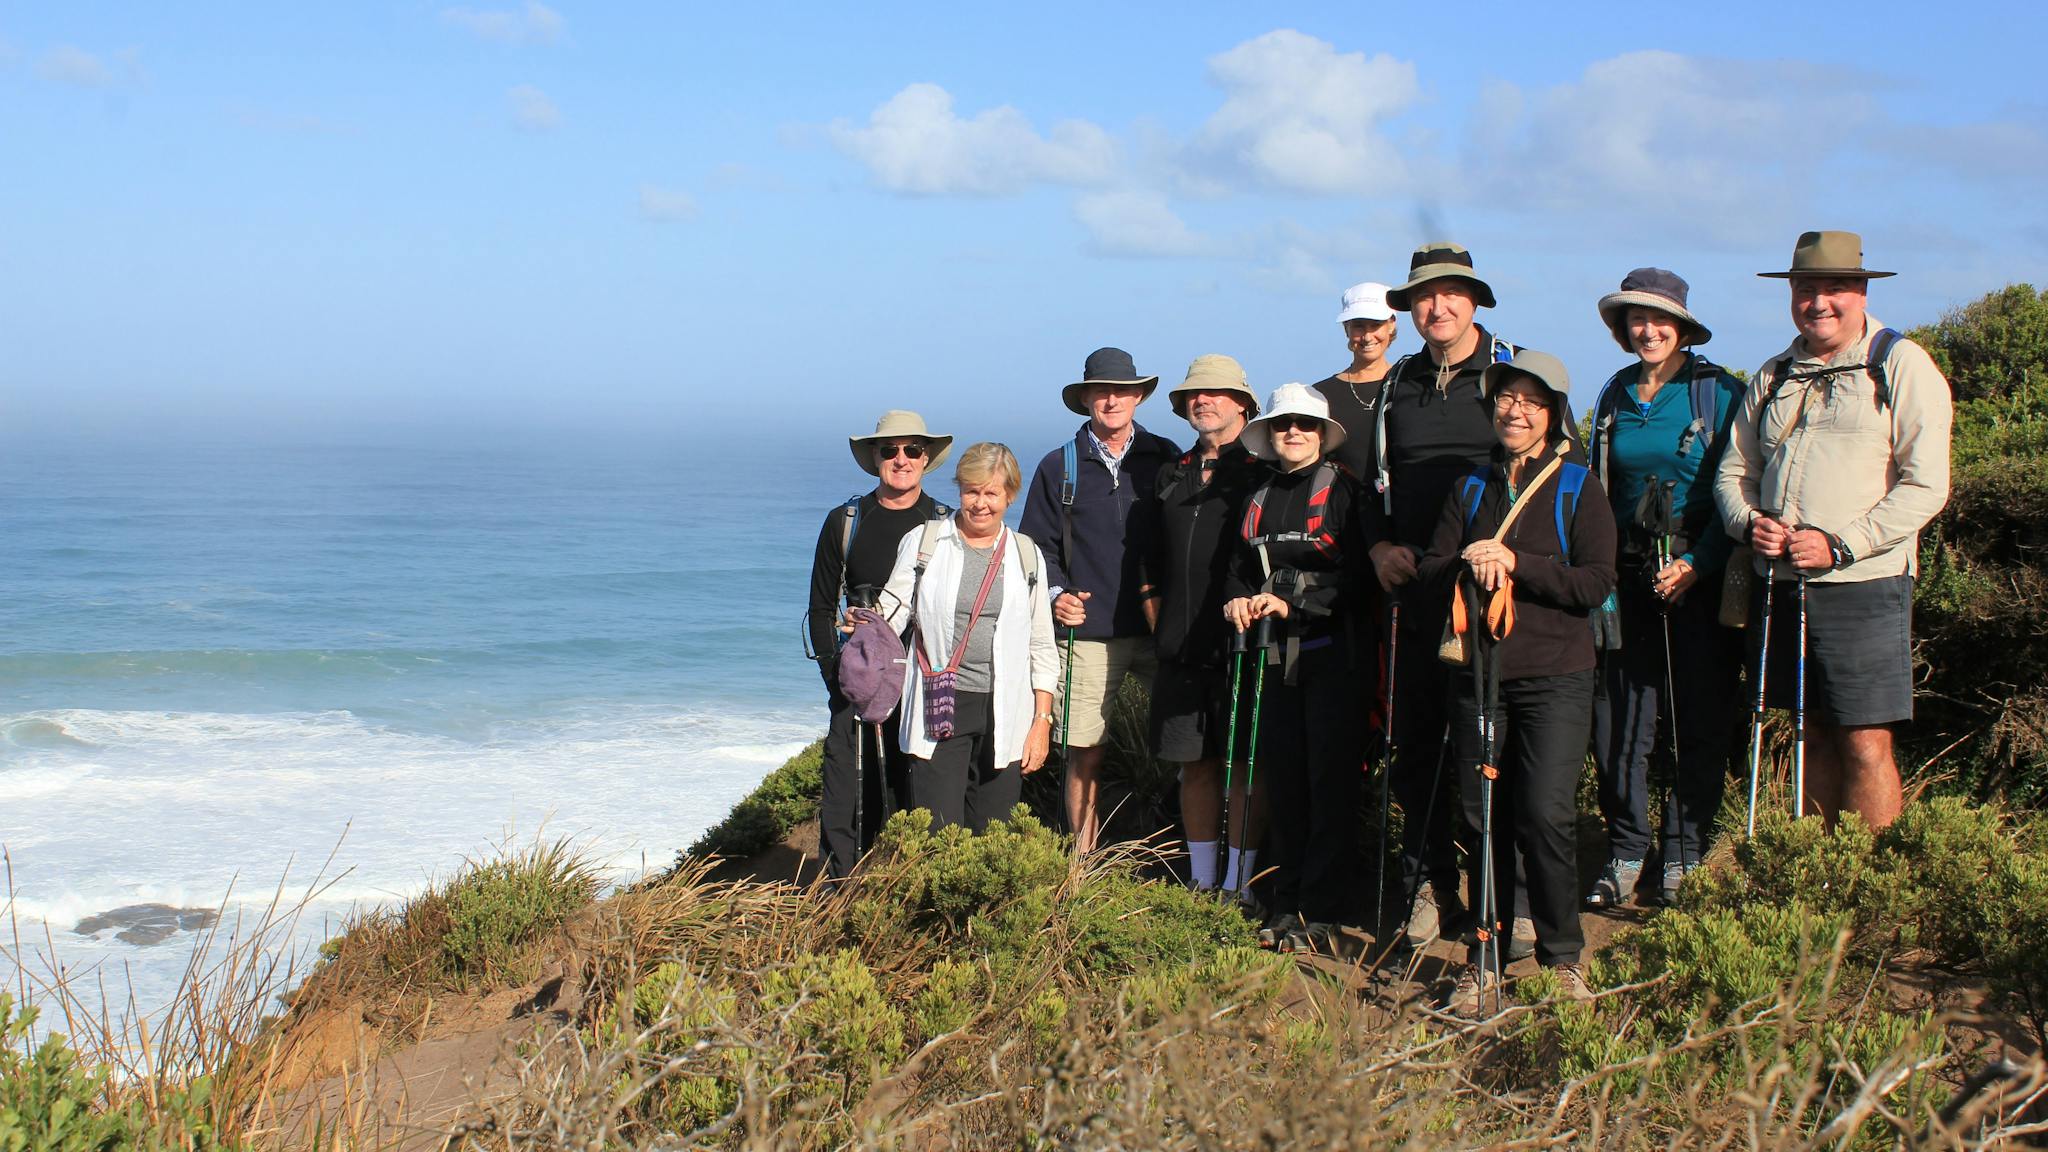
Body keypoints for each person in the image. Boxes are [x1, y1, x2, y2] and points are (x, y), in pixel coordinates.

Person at [1715, 231, 1953, 830]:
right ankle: (1815, 868)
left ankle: (1868, 876)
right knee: (1810, 732)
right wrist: (1751, 524)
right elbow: (1734, 473)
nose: (1818, 302)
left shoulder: (1901, 364)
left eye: (1835, 288)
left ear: (1862, 292)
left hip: (1866, 585)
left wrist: (1841, 545)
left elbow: (1927, 485)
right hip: (1781, 584)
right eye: (1805, 289)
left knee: (1865, 741)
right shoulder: (1775, 373)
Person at [1418, 350, 1616, 1011]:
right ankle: (1485, 961)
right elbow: (1430, 569)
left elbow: (1595, 583)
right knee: (1483, 819)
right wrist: (1465, 561)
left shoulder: (1578, 487)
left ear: (1554, 414)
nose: (1516, 410)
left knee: (1545, 816)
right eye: (1507, 398)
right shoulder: (1470, 488)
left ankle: (1562, 959)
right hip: (1479, 677)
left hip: (1557, 676)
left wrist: (1516, 562)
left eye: (1532, 401)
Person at [1366, 242, 1534, 957]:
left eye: (1450, 293)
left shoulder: (1512, 371)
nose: (1437, 307)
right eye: (1423, 297)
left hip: (1496, 600)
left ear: (1474, 300)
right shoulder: (1398, 384)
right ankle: (1431, 892)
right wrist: (1379, 547)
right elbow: (1373, 486)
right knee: (1415, 754)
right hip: (1417, 597)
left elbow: (1555, 473)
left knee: (1493, 757)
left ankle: (1510, 901)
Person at [1584, 269, 1745, 906]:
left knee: (1699, 719)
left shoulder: (1717, 392)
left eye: (1659, 319)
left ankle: (1683, 851)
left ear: (1681, 326)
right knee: (1619, 721)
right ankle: (1626, 849)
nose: (1647, 330)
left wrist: (1697, 563)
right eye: (1636, 319)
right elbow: (1598, 490)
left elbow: (1742, 488)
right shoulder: (1615, 393)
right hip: (1626, 577)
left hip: (1699, 575)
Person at [1221, 383, 1369, 954]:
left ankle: (1322, 909)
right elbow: (1237, 567)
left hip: (1333, 656)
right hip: (1273, 658)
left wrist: (1295, 604)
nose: (1294, 433)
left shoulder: (1345, 493)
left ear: (1322, 434)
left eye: (1305, 425)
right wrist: (1236, 600)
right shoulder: (1257, 494)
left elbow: (1361, 578)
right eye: (1284, 424)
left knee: (1329, 784)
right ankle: (1285, 903)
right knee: (1284, 783)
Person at [1020, 348, 1180, 855]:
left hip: (1160, 628)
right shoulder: (1058, 466)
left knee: (1192, 741)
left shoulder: (1167, 457)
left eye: (1122, 391)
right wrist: (1057, 595)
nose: (1112, 400)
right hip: (1087, 634)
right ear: (1087, 399)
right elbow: (1037, 547)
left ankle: (1180, 839)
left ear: (1138, 397)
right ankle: (1083, 865)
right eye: (1102, 392)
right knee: (1085, 751)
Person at [877, 443, 1059, 832]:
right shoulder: (925, 542)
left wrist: (1041, 722)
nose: (980, 503)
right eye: (971, 491)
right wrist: (864, 628)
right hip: (940, 702)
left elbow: (1042, 646)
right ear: (959, 489)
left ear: (1010, 495)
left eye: (991, 493)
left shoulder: (1026, 554)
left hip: (1006, 710)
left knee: (995, 833)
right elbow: (890, 615)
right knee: (937, 832)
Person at [806, 411, 953, 876]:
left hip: (922, 681)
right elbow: (819, 609)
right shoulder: (845, 522)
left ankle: (903, 884)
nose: (901, 459)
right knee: (846, 790)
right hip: (859, 679)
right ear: (874, 457)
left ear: (926, 458)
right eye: (890, 450)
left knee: (913, 787)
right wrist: (838, 680)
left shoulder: (944, 525)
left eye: (912, 450)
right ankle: (839, 890)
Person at [1144, 355, 1265, 893]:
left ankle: (1240, 885)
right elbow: (1148, 559)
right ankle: (1201, 882)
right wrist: (1157, 618)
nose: (1202, 400)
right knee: (1193, 764)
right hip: (1180, 648)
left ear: (1242, 404)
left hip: (1243, 645)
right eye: (1194, 393)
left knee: (1243, 766)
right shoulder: (1172, 472)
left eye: (1215, 392)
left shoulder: (1262, 470)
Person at [1315, 281, 1400, 481]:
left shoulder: (1410, 384)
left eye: (1376, 325)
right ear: (1346, 329)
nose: (1367, 337)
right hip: (1340, 500)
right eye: (1359, 326)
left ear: (1391, 325)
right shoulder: (1319, 396)